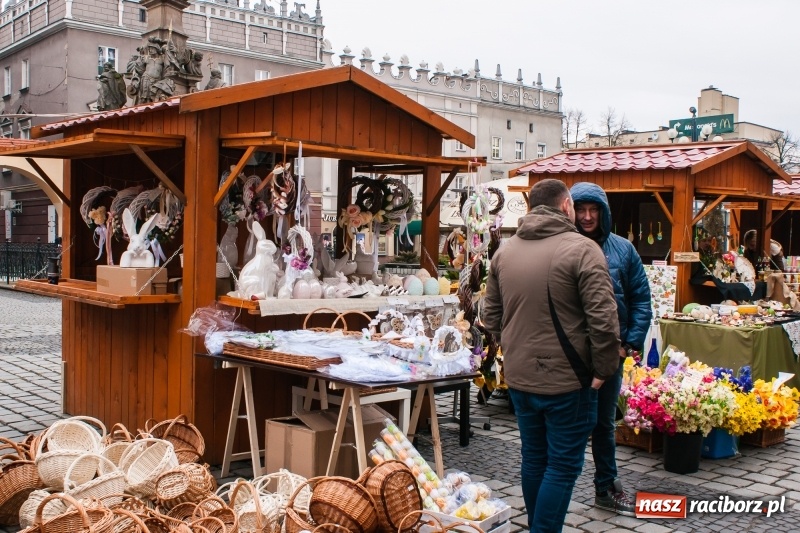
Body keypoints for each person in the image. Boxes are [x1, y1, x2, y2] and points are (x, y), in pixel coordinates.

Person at [483, 178, 621, 532]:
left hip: (521, 378)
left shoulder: (505, 252)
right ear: (565, 207)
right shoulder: (583, 249)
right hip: (569, 381)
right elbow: (604, 321)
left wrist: (516, 351)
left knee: (535, 460)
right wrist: (604, 370)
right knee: (561, 466)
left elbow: (490, 318)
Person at [570, 182, 652, 517]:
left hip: (611, 354)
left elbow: (641, 300)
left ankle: (606, 484)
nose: (587, 217)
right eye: (581, 209)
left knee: (604, 423)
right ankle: (557, 485)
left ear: (603, 212)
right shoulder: (564, 247)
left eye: (593, 210)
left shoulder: (623, 250)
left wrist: (628, 344)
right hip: (570, 355)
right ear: (570, 210)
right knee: (569, 423)